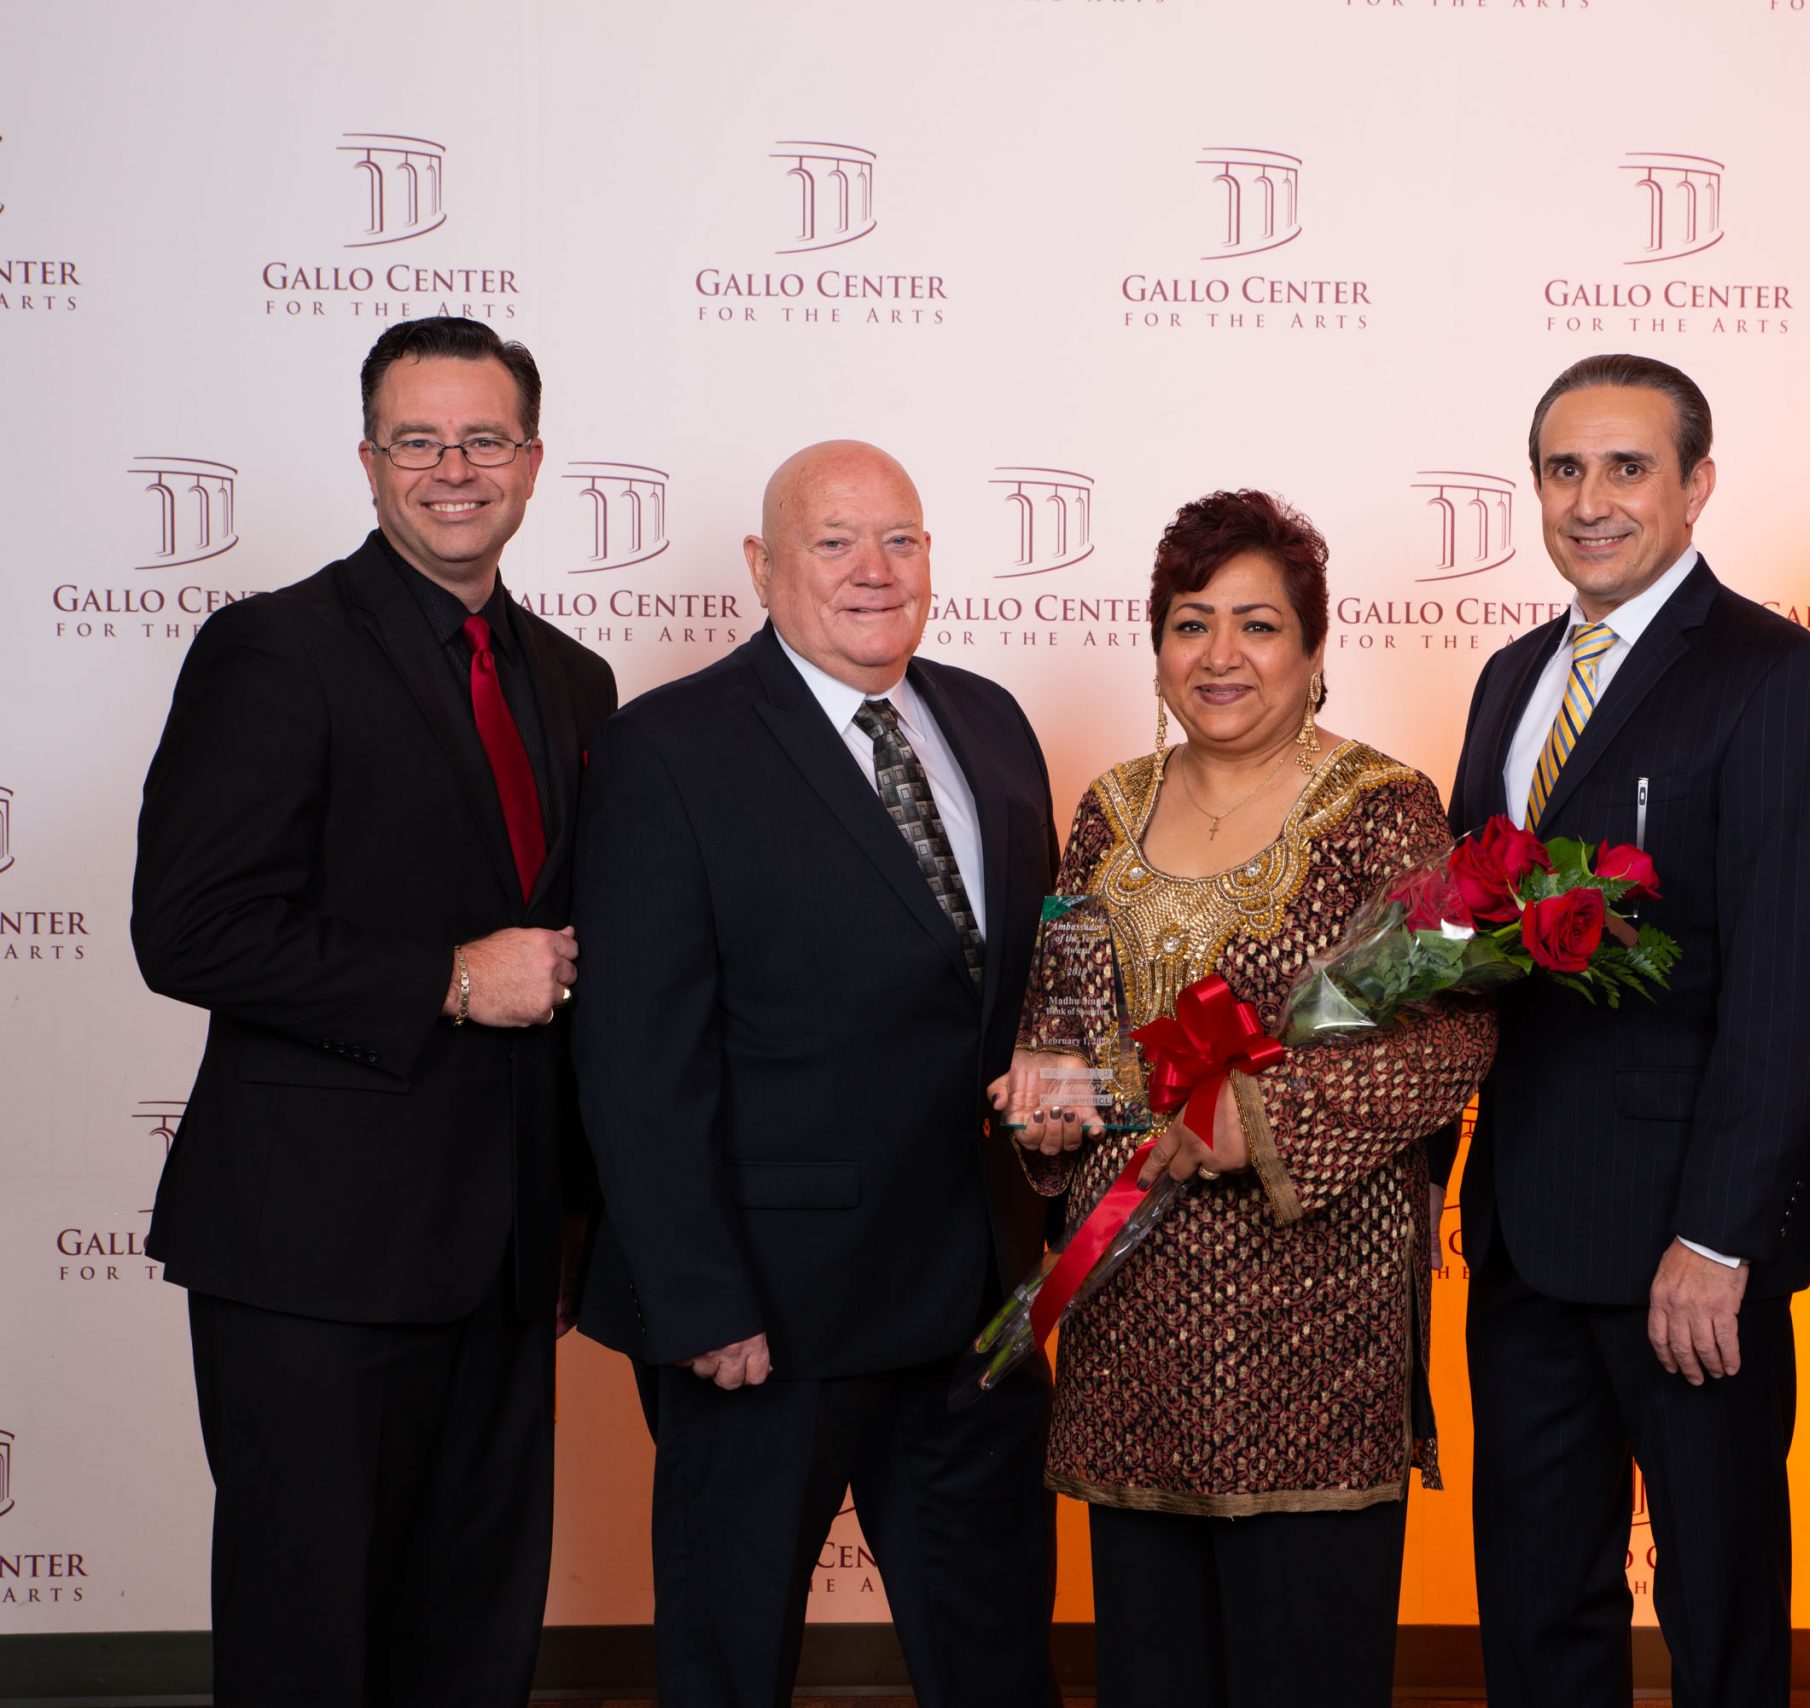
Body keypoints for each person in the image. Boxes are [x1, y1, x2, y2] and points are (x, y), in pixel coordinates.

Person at [130, 316, 616, 1704]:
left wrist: (580, 1213)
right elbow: (190, 927)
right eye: (419, 441)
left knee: (474, 1642)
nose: (453, 470)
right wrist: (450, 978)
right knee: (311, 1644)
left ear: (532, 462)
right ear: (368, 461)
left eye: (483, 440)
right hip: (314, 1258)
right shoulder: (274, 650)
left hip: (510, 1257)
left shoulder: (574, 680)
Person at [571, 441, 1059, 1708]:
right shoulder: (666, 748)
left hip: (977, 1304)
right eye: (834, 541)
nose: (873, 570)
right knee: (729, 1661)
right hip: (769, 1313)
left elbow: (1024, 993)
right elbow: (638, 1058)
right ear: (762, 564)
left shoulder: (992, 723)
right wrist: (697, 1298)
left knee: (996, 1655)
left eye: (900, 539)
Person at [994, 488, 1497, 1708]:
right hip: (1128, 1324)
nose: (1220, 654)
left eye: (1257, 624)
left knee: (1300, 1664)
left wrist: (1257, 1119)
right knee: (1151, 1666)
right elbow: (1061, 1013)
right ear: (1157, 646)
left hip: (1314, 1328)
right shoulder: (1109, 808)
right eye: (1190, 622)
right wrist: (1043, 1093)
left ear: (1314, 649)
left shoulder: (1380, 806)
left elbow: (1453, 1033)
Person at [1445, 354, 1810, 1705]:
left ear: (1696, 485)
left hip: (1687, 1246)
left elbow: (1792, 987)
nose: (1591, 501)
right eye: (1563, 470)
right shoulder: (1512, 676)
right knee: (1535, 1605)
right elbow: (1471, 938)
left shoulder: (1780, 677)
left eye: (1627, 468)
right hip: (1521, 1231)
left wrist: (1719, 1237)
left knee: (1718, 1606)